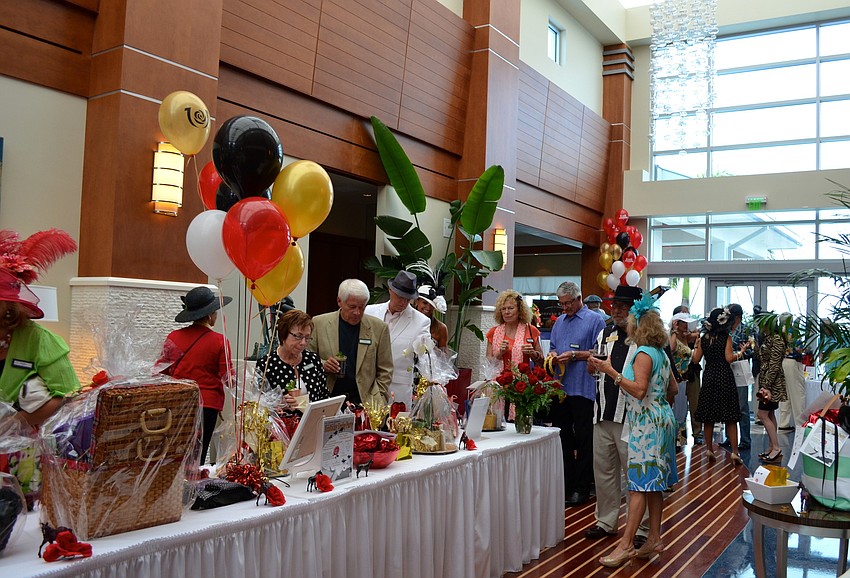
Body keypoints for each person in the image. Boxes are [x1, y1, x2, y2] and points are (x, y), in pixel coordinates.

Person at [589, 295, 678, 567]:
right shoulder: (660, 353)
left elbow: (638, 390)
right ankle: (653, 538)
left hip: (646, 425)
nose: (626, 325)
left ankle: (626, 544)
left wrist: (611, 372)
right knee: (654, 486)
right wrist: (658, 402)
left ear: (638, 326)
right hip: (662, 419)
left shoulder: (642, 353)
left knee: (639, 485)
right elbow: (673, 388)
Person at [584, 285, 649, 548]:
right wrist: (592, 367)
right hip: (602, 412)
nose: (616, 310)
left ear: (635, 308)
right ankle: (606, 521)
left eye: (622, 306)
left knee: (635, 474)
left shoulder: (645, 337)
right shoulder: (606, 331)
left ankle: (642, 527)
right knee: (604, 472)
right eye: (615, 305)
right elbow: (596, 368)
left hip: (632, 417)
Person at [159, 286, 234, 465]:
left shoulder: (173, 337)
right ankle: (193, 488)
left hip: (178, 402)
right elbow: (228, 378)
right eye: (215, 312)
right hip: (207, 405)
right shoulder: (219, 341)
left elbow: (161, 371)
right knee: (198, 454)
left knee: (177, 451)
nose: (216, 315)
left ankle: (177, 489)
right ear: (208, 316)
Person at [547, 281, 606, 506]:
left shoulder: (595, 320)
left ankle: (583, 488)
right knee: (563, 439)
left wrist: (575, 355)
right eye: (562, 304)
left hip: (584, 387)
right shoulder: (560, 322)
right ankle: (567, 485)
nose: (564, 308)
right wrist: (553, 354)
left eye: (568, 303)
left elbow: (600, 352)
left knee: (583, 440)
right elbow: (553, 345)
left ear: (579, 298)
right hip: (560, 387)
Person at [310, 279, 392, 406]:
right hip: (327, 398)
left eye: (362, 307)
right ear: (339, 301)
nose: (357, 312)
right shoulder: (319, 323)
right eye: (352, 307)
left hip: (365, 401)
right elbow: (307, 360)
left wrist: (378, 396)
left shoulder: (379, 328)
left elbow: (385, 369)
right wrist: (323, 365)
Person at [692, 306, 750, 466]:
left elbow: (696, 360)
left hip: (709, 376)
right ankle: (735, 452)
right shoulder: (726, 338)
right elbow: (729, 358)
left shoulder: (704, 338)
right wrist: (741, 352)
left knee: (708, 417)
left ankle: (709, 448)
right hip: (725, 376)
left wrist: (697, 346)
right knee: (731, 417)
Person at [364, 271, 430, 408]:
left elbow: (425, 356)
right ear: (390, 291)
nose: (403, 302)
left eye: (407, 299)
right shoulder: (369, 312)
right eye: (400, 297)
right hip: (367, 383)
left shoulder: (421, 321)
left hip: (398, 388)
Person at [255, 309, 330, 406]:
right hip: (282, 420)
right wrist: (279, 404)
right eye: (298, 336)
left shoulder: (313, 360)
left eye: (307, 338)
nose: (303, 343)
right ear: (283, 334)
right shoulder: (266, 365)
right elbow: (259, 405)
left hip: (313, 419)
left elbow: (324, 395)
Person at [755, 314, 787, 463]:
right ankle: (771, 447)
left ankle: (776, 447)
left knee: (762, 414)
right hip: (767, 381)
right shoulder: (769, 339)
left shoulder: (777, 340)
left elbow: (774, 364)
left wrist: (766, 386)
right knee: (770, 414)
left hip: (772, 384)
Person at [670, 312, 700, 446]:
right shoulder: (673, 337)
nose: (686, 325)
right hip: (676, 377)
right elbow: (670, 349)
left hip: (685, 376)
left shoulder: (685, 338)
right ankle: (674, 438)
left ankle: (681, 439)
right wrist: (674, 332)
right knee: (676, 408)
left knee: (682, 409)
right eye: (684, 323)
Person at [778, 312, 806, 430]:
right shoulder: (792, 331)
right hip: (792, 362)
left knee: (786, 394)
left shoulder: (778, 331)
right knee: (797, 393)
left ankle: (783, 423)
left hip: (782, 362)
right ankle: (801, 423)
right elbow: (799, 348)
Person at [414, 284, 448, 351]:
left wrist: (434, 351)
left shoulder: (441, 328)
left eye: (432, 305)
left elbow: (444, 358)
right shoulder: (406, 321)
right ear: (417, 301)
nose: (428, 308)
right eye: (425, 303)